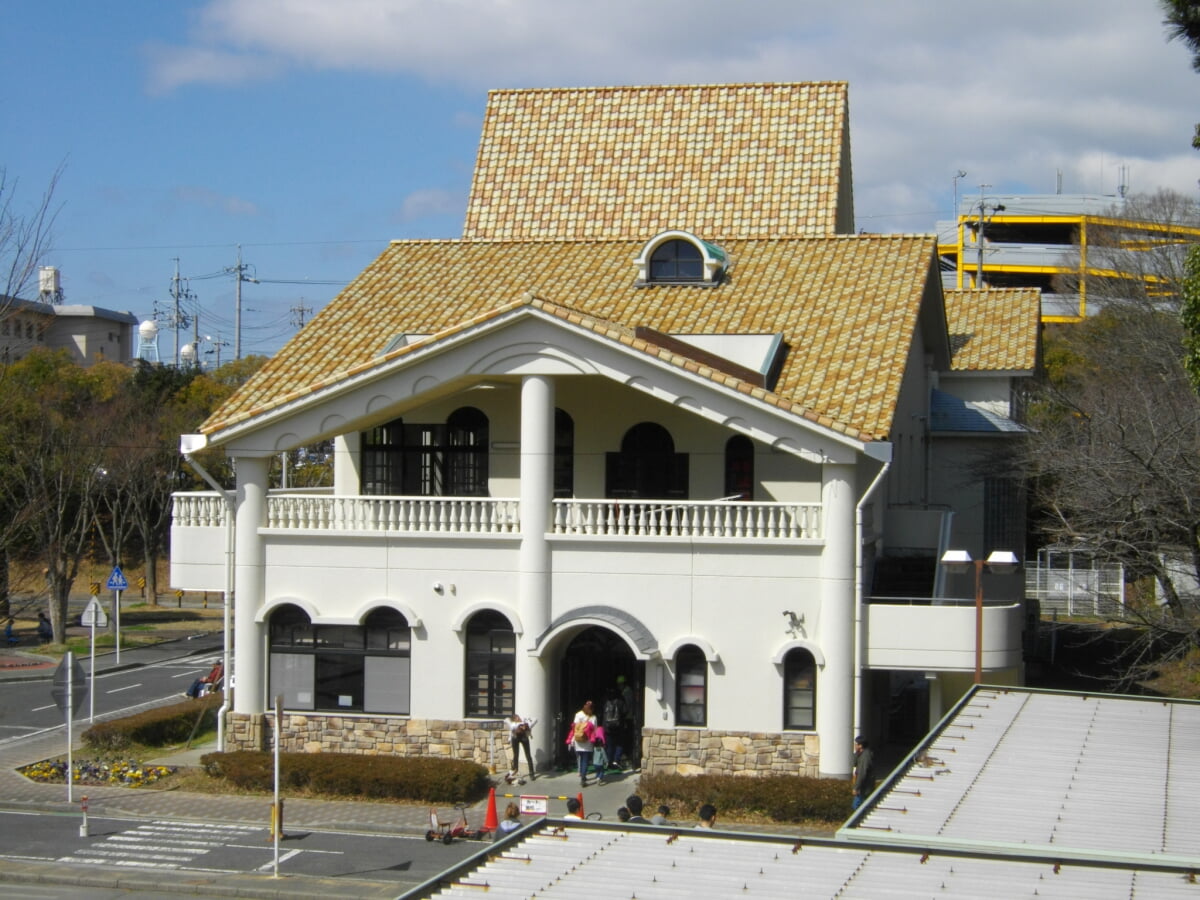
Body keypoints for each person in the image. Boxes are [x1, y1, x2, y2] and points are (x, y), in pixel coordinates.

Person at [566, 700, 597, 787]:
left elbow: (574, 727)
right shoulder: (593, 717)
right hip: (587, 741)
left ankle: (581, 773)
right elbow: (594, 729)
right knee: (585, 760)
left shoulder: (578, 714)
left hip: (578, 740)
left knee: (580, 758)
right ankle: (583, 777)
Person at [602, 686, 627, 770]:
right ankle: (616, 760)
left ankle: (609, 761)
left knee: (609, 745)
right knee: (620, 743)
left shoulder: (605, 700)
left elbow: (602, 712)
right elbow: (625, 711)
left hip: (607, 727)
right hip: (619, 726)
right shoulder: (621, 700)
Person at [506, 713, 537, 781]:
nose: (518, 718)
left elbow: (535, 720)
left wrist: (527, 721)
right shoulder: (513, 724)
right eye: (516, 718)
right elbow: (511, 729)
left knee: (528, 755)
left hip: (524, 737)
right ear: (514, 720)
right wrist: (509, 739)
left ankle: (531, 773)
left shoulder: (525, 721)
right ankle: (515, 770)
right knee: (516, 755)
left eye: (518, 717)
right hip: (515, 738)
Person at [852, 735, 876, 810]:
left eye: (856, 744)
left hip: (864, 788)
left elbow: (862, 773)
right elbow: (854, 763)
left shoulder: (865, 757)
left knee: (857, 807)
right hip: (863, 787)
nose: (854, 746)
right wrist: (857, 753)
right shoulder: (861, 754)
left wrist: (856, 788)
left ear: (860, 745)